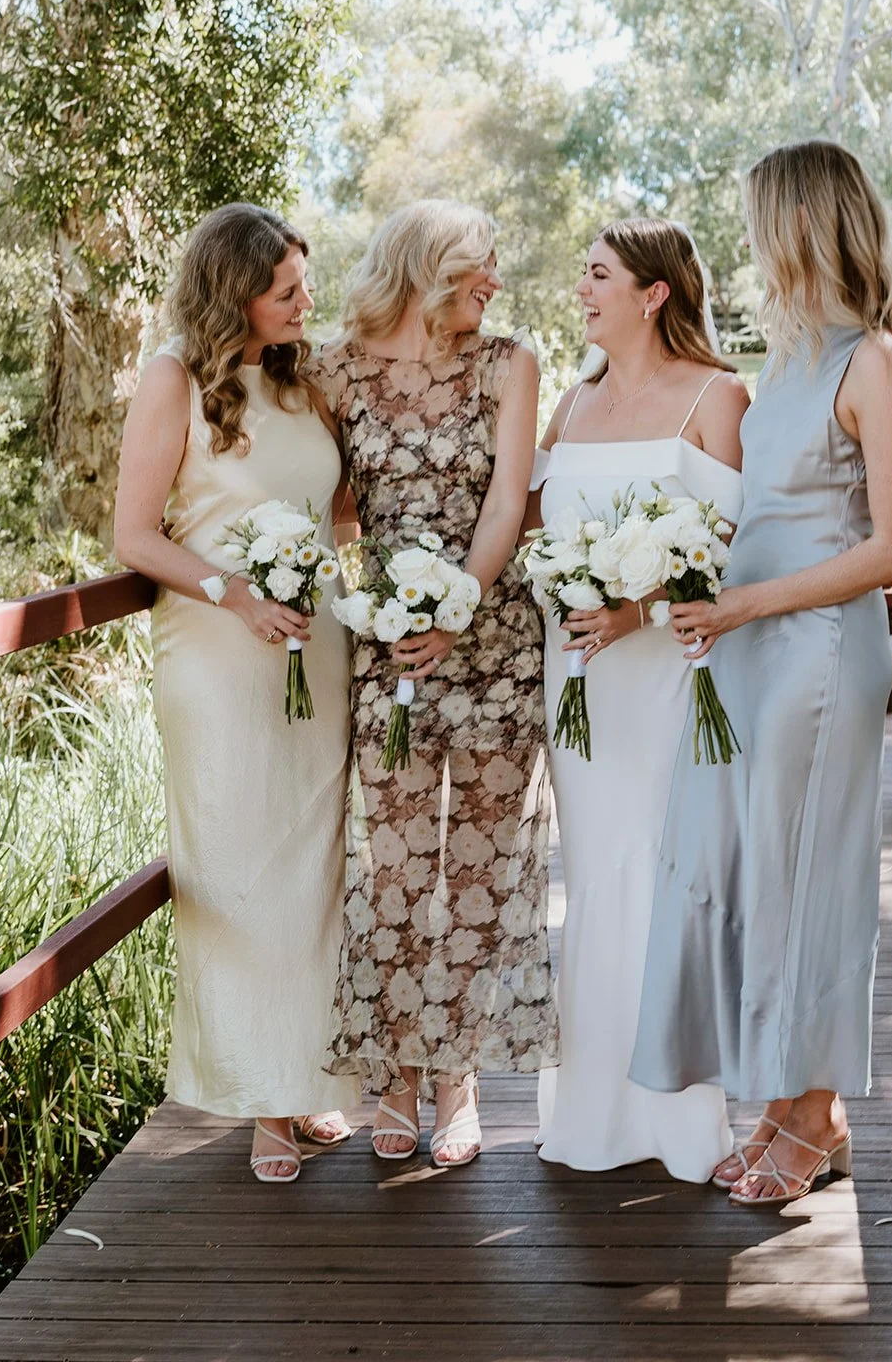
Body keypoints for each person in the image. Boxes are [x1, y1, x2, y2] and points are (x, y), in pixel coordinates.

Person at [630, 140, 892, 1206]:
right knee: (759, 877)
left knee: (808, 880)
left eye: (761, 219)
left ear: (801, 224)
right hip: (747, 652)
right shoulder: (785, 356)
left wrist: (750, 601)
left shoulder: (874, 360)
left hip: (816, 657)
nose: (750, 240)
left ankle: (810, 1114)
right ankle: (790, 1101)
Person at [308, 199, 558, 1168]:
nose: (493, 282)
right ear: (427, 269)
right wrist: (378, 604)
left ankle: (454, 1074)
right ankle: (396, 1073)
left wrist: (459, 600)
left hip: (492, 642)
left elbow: (507, 497)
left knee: (480, 872)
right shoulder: (333, 368)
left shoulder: (508, 363)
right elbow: (338, 514)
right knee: (400, 869)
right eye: (478, 266)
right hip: (388, 651)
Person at [115, 202, 357, 1184]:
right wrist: (237, 590)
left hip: (319, 641)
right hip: (218, 652)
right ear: (235, 293)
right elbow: (135, 533)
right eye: (285, 289)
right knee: (242, 867)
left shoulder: (312, 379)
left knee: (313, 866)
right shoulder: (173, 376)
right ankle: (261, 1101)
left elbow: (338, 508)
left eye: (306, 283)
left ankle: (307, 1077)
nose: (307, 301)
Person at [529, 217, 749, 1178]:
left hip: (668, 675)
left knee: (664, 876)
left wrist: (640, 606)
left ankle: (678, 1117)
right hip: (575, 674)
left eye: (597, 275)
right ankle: (591, 1114)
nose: (581, 290)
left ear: (652, 293)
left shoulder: (717, 395)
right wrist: (570, 593)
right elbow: (535, 529)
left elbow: (739, 547)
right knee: (592, 877)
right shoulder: (569, 407)